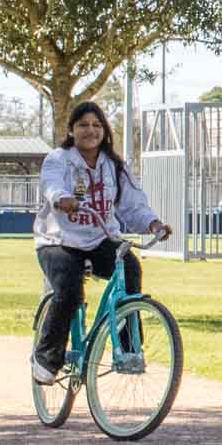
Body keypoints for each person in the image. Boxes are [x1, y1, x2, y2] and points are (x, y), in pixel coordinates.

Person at [30, 101, 171, 384]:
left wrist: (153, 223)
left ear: (105, 131)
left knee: (130, 269)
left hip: (100, 238)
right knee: (69, 292)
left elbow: (133, 205)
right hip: (58, 240)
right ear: (71, 130)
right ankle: (46, 358)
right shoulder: (59, 159)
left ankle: (129, 350)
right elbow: (51, 184)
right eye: (83, 125)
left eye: (97, 125)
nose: (90, 130)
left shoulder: (115, 166)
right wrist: (62, 199)